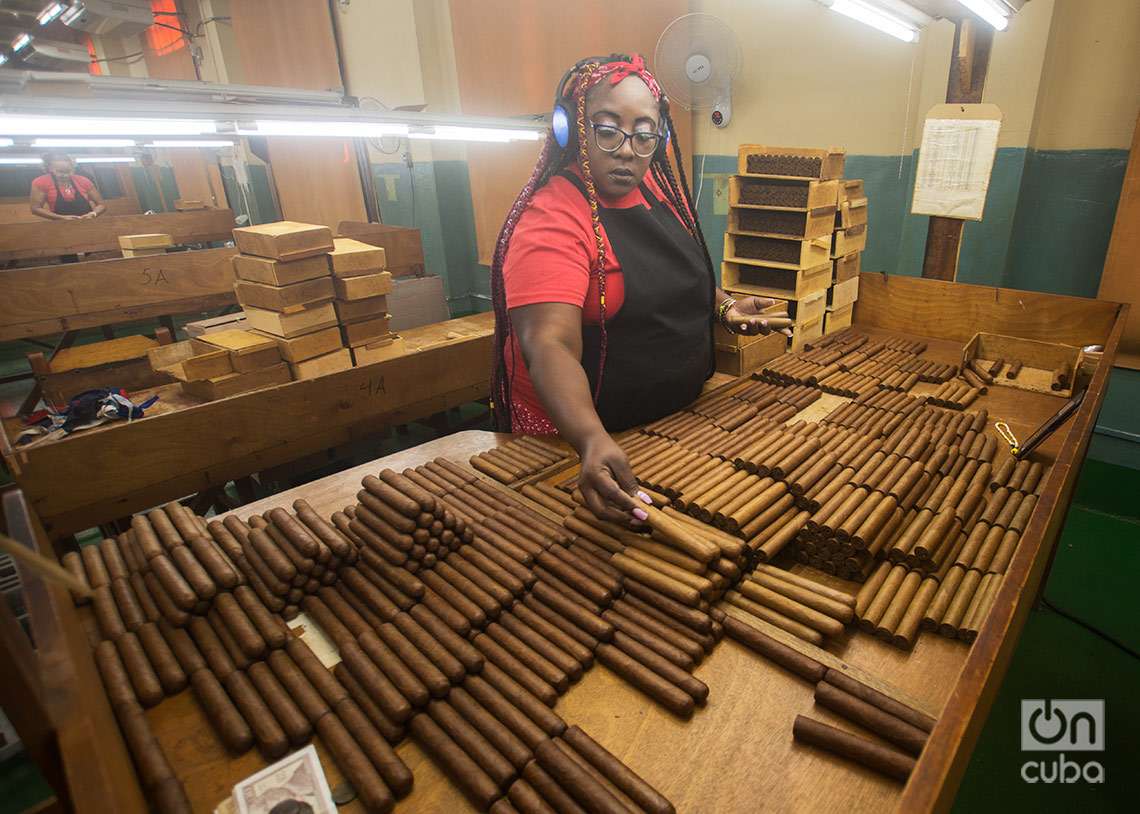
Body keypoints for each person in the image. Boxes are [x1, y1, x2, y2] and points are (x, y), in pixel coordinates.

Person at [490, 53, 790, 525]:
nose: (628, 149)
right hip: (571, 441)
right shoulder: (552, 219)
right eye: (608, 129)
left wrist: (724, 305)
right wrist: (589, 437)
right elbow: (548, 343)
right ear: (572, 131)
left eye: (645, 133)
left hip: (664, 425)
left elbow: (671, 272)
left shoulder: (653, 188)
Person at [29, 153, 105, 221]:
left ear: (73, 168)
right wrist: (60, 218)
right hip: (61, 225)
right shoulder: (41, 182)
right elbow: (35, 208)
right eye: (60, 171)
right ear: (50, 168)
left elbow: (101, 204)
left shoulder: (83, 181)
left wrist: (93, 214)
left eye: (68, 171)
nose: (65, 175)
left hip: (88, 222)